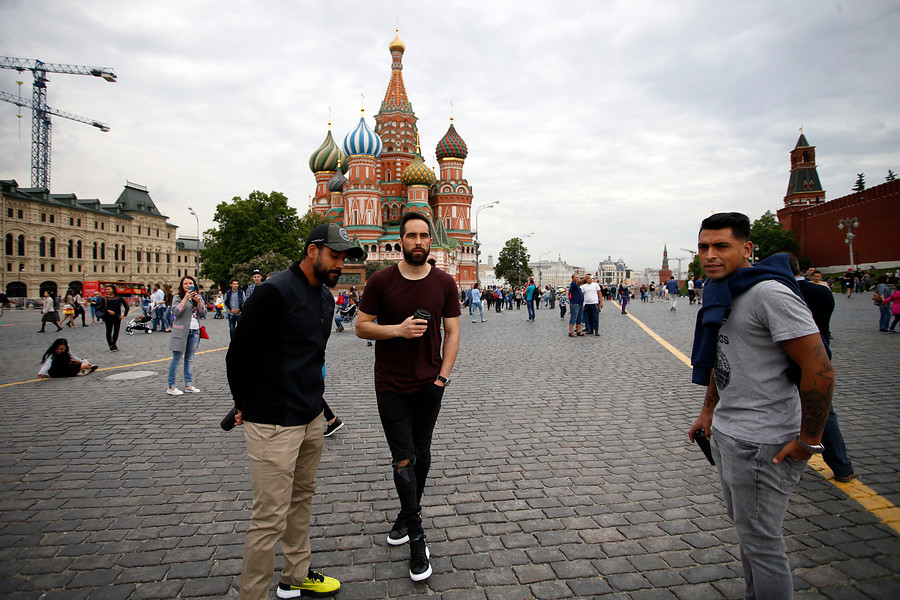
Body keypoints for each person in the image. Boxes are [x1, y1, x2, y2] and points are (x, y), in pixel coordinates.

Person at [688, 212, 834, 600]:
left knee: (763, 545)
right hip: (731, 435)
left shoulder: (768, 293)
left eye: (722, 246)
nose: (710, 255)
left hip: (763, 441)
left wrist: (810, 441)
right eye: (704, 246)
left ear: (747, 248)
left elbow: (819, 368)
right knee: (750, 538)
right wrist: (709, 410)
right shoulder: (724, 290)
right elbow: (724, 359)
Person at [226, 223, 361, 599]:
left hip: (309, 419)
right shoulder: (274, 292)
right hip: (271, 423)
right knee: (268, 517)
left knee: (302, 499)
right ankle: (253, 594)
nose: (340, 266)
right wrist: (245, 403)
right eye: (335, 257)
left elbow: (311, 358)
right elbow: (238, 355)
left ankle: (295, 574)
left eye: (344, 259)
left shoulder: (326, 300)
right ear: (313, 251)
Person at [355, 212, 460, 583]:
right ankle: (417, 537)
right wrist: (397, 330)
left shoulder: (445, 282)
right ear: (400, 240)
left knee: (422, 454)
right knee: (403, 458)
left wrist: (442, 378)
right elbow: (360, 326)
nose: (418, 241)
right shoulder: (380, 280)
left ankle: (404, 514)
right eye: (411, 236)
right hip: (390, 384)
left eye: (423, 236)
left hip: (429, 385)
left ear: (431, 241)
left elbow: (453, 332)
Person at [789, 254, 854, 482]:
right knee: (825, 410)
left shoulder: (785, 292)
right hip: (822, 353)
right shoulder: (822, 291)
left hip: (793, 358)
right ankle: (842, 466)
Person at [166, 275, 206, 396]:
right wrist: (185, 299)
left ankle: (188, 384)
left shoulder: (197, 297)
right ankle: (171, 386)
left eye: (190, 283)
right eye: (185, 284)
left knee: (189, 359)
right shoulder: (177, 297)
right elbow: (176, 312)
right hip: (181, 331)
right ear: (182, 286)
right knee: (176, 358)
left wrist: (199, 302)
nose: (188, 285)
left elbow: (202, 314)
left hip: (195, 331)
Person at [99, 284, 129, 351]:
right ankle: (110, 345)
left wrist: (124, 315)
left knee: (116, 331)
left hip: (117, 317)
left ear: (113, 290)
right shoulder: (104, 298)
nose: (107, 291)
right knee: (109, 331)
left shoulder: (119, 298)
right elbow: (100, 308)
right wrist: (108, 310)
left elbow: (126, 306)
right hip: (108, 317)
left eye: (109, 289)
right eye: (106, 289)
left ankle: (114, 344)